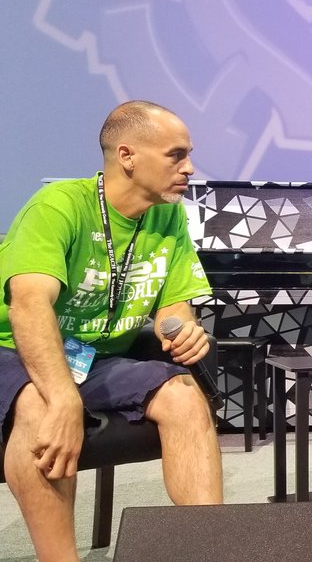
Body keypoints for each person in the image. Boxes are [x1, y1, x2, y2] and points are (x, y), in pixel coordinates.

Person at [0, 100, 221, 560]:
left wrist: (181, 329)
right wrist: (62, 396)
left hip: (94, 356)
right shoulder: (58, 206)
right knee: (40, 405)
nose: (190, 168)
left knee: (182, 394)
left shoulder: (168, 215)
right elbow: (28, 304)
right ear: (128, 156)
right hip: (12, 348)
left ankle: (210, 549)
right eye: (176, 155)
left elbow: (172, 300)